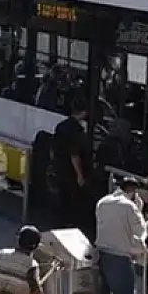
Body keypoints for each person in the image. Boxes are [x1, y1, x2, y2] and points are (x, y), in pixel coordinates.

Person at [93, 175, 146, 294]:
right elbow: (141, 231)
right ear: (133, 191)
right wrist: (139, 209)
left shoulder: (102, 202)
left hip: (100, 254)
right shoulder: (130, 207)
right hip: (120, 258)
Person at [52, 98, 92, 228]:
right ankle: (69, 224)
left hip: (59, 167)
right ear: (84, 112)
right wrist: (79, 175)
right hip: (70, 172)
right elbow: (74, 155)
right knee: (72, 199)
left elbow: (53, 149)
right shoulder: (77, 131)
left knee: (62, 196)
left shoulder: (61, 125)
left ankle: (61, 222)